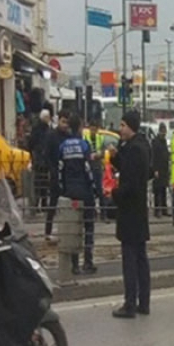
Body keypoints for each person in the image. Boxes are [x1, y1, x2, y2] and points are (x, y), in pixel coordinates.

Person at [110, 111, 152, 319]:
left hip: (130, 212)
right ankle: (143, 302)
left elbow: (130, 183)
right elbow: (131, 170)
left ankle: (130, 304)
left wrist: (114, 194)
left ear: (132, 127)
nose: (120, 129)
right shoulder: (141, 146)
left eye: (123, 125)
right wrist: (116, 158)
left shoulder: (135, 150)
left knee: (130, 260)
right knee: (141, 258)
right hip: (139, 210)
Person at [59, 114, 97, 275]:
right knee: (88, 226)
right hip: (84, 192)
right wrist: (93, 187)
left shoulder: (63, 146)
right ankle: (87, 261)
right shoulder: (84, 145)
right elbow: (88, 169)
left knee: (73, 227)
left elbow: (60, 169)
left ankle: (74, 264)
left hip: (70, 193)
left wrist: (63, 189)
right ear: (80, 127)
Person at [44, 110, 71, 241]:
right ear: (58, 120)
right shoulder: (51, 135)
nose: (65, 125)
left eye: (67, 122)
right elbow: (47, 154)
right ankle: (48, 231)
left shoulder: (68, 136)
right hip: (55, 173)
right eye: (63, 122)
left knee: (67, 203)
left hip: (66, 174)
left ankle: (65, 230)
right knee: (53, 203)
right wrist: (51, 169)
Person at [28, 109, 52, 212]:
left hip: (39, 159)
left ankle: (37, 204)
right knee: (42, 182)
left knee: (39, 183)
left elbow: (30, 143)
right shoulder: (45, 129)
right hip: (42, 159)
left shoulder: (36, 128)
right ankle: (42, 203)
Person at [83, 120, 106, 221]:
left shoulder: (100, 138)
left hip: (97, 167)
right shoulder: (85, 138)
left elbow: (104, 152)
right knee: (90, 192)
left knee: (100, 191)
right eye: (91, 128)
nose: (93, 130)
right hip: (89, 168)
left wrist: (98, 155)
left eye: (95, 128)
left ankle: (103, 214)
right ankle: (92, 213)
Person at [151, 123, 171, 218]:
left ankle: (164, 209)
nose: (164, 133)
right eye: (163, 131)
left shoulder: (163, 142)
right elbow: (154, 156)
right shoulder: (155, 142)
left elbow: (166, 154)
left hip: (164, 169)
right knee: (157, 191)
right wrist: (155, 169)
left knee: (163, 190)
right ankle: (157, 210)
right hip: (158, 169)